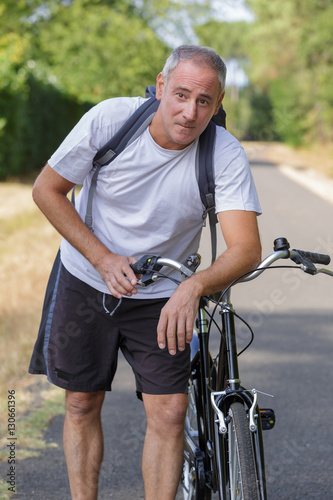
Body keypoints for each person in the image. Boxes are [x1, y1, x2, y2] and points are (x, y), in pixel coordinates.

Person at [29, 45, 262, 500]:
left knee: (170, 413)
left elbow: (246, 248)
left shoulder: (223, 153)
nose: (189, 112)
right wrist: (102, 257)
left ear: (217, 106)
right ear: (159, 87)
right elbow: (47, 190)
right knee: (80, 401)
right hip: (86, 280)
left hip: (163, 296)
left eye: (203, 102)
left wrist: (193, 286)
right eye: (180, 94)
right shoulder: (110, 121)